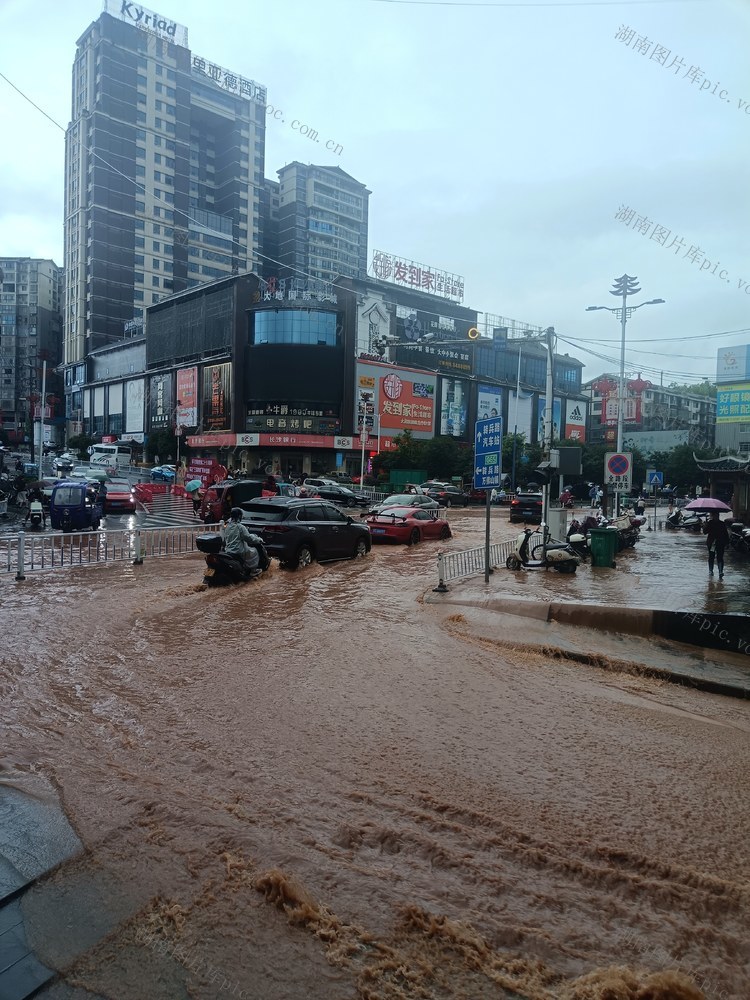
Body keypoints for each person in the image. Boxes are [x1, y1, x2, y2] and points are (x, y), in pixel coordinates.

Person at [222, 507, 262, 576]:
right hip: (239, 551)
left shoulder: (226, 526)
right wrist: (259, 540)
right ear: (240, 516)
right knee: (254, 551)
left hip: (228, 550)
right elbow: (249, 538)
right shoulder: (240, 527)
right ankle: (253, 571)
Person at [702, 511, 729, 580]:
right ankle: (712, 571)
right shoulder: (714, 523)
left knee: (717, 557)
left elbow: (725, 534)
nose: (717, 516)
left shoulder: (712, 523)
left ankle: (719, 571)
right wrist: (705, 525)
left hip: (718, 543)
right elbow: (705, 532)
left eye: (717, 515)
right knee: (714, 557)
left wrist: (705, 525)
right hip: (714, 543)